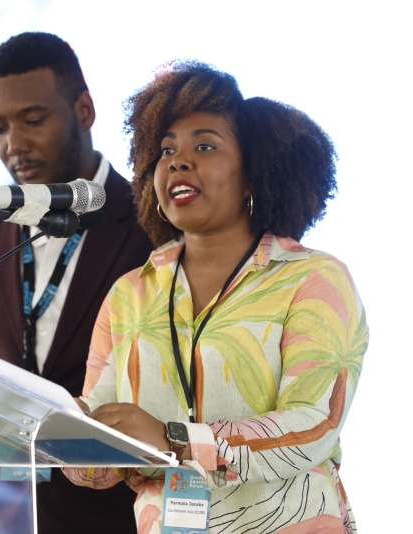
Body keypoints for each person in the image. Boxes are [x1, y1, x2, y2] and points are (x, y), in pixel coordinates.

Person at [64, 61, 368, 534]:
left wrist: (174, 441)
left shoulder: (314, 279)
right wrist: (62, 435)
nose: (178, 161)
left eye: (204, 145)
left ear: (253, 172)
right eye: (166, 150)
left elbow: (314, 425)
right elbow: (100, 447)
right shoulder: (131, 294)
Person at [0, 32, 154, 533]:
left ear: (84, 109)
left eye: (33, 120)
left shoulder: (152, 224)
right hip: (5, 516)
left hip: (115, 516)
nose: (13, 145)